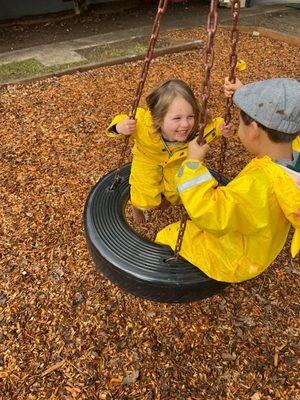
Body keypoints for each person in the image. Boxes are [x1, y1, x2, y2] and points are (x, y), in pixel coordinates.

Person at [156, 78, 300, 283]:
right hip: (265, 243)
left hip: (239, 257)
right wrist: (245, 95)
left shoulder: (257, 185)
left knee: (170, 234)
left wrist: (192, 165)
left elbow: (211, 212)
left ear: (254, 130)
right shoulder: (294, 149)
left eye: (241, 123)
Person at [106, 79, 231, 223]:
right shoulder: (142, 124)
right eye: (177, 118)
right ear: (158, 120)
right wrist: (119, 127)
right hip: (148, 159)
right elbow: (120, 122)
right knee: (144, 193)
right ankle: (137, 209)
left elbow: (215, 127)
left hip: (176, 162)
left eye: (190, 116)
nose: (185, 124)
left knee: (177, 192)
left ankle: (166, 199)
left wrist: (225, 129)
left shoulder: (198, 130)